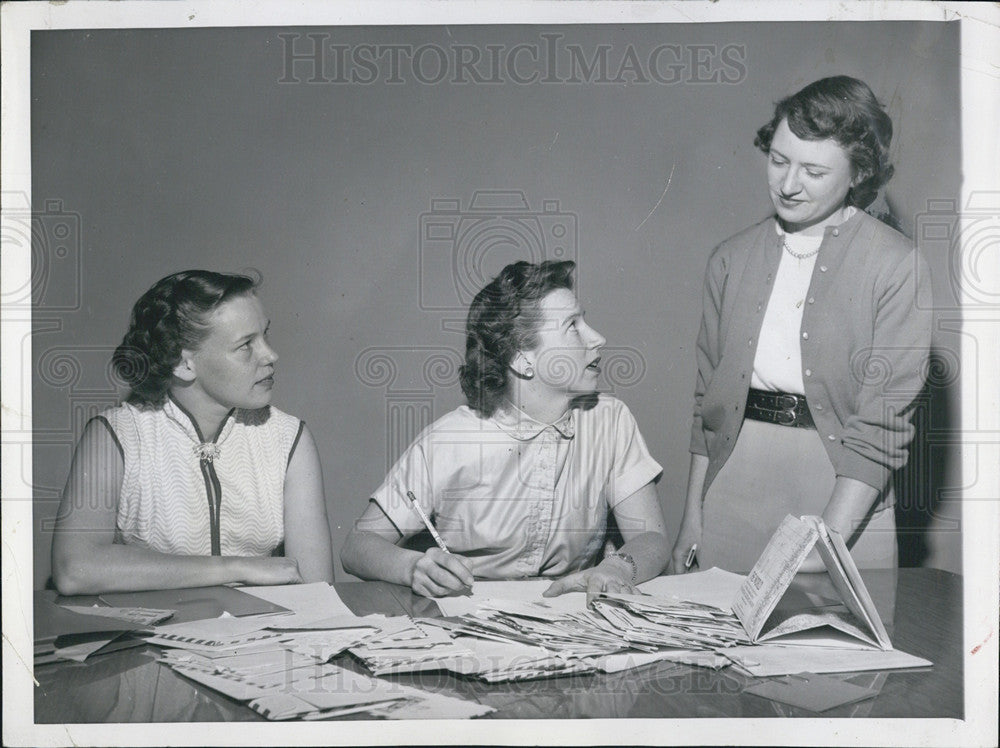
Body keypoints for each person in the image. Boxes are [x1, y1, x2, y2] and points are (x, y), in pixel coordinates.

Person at [669, 76, 932, 574]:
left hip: (841, 495)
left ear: (858, 173)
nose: (788, 185)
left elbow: (882, 426)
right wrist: (693, 519)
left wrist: (824, 543)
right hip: (734, 486)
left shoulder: (898, 266)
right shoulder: (729, 258)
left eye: (813, 170)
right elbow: (709, 405)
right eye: (778, 160)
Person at [341, 260, 669, 599]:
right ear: (522, 359)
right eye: (572, 325)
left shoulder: (610, 420)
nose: (598, 338)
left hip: (575, 622)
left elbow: (653, 539)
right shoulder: (449, 440)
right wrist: (412, 567)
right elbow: (357, 545)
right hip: (470, 623)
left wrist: (616, 567)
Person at [51, 270, 334, 594]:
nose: (271, 355)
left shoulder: (288, 438)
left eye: (265, 336)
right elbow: (74, 568)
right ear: (184, 364)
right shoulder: (116, 435)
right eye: (246, 345)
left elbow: (317, 590)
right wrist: (238, 566)